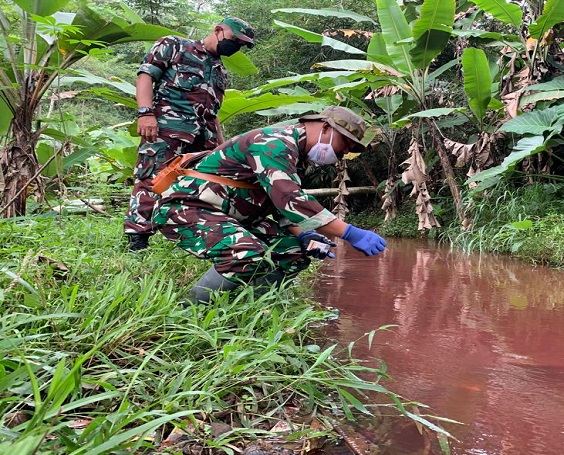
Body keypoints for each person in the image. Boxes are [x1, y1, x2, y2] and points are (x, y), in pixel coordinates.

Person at [152, 106, 387, 305]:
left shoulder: (297, 156)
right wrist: (349, 232)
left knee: (293, 251)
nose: (343, 153)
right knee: (244, 252)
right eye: (344, 144)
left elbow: (279, 204)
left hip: (229, 215)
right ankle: (188, 311)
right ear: (326, 127)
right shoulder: (274, 143)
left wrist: (304, 235)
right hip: (185, 208)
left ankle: (256, 308)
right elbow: (291, 200)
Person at [125, 17, 256, 251]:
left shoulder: (220, 71)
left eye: (241, 44)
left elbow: (213, 112)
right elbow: (146, 75)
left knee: (198, 185)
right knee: (152, 177)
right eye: (235, 40)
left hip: (203, 138)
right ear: (218, 30)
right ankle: (138, 238)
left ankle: (187, 231)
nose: (236, 46)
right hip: (167, 129)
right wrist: (145, 113)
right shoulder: (175, 45)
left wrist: (222, 146)